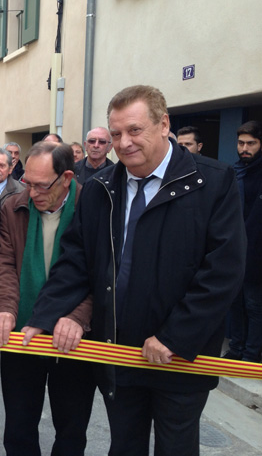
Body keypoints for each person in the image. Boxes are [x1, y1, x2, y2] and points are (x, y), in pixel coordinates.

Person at [23, 85, 246, 455]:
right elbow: (76, 260)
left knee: (176, 448)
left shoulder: (213, 182)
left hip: (179, 358)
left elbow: (224, 271)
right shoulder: (100, 189)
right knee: (124, 446)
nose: (123, 143)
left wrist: (174, 337)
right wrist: (42, 316)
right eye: (115, 134)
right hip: (119, 353)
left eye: (134, 130)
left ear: (163, 124)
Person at [0, 142, 95, 456]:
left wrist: (78, 317)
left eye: (41, 186)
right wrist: (5, 309)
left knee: (71, 430)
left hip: (75, 338)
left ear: (67, 177)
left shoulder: (93, 206)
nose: (32, 194)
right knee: (19, 428)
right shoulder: (13, 205)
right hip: (23, 333)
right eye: (28, 183)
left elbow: (100, 275)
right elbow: (4, 265)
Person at [223, 120, 262, 363]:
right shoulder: (233, 172)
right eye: (241, 143)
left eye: (251, 143)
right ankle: (236, 348)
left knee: (255, 307)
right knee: (234, 304)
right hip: (234, 254)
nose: (244, 148)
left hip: (257, 256)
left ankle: (251, 353)